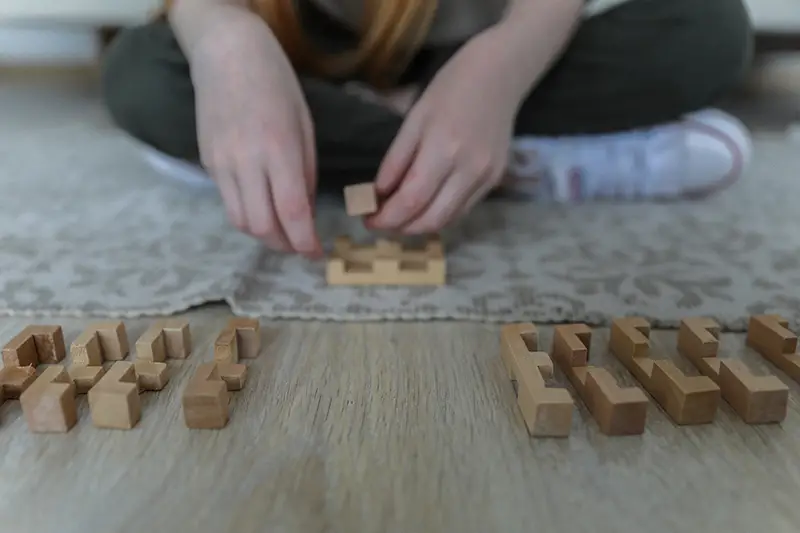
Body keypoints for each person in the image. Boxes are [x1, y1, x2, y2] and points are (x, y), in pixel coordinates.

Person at [101, 0, 754, 259]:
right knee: (141, 74)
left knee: (709, 27)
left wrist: (502, 66)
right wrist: (225, 39)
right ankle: (523, 162)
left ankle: (272, 149)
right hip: (296, 60)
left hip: (473, 48)